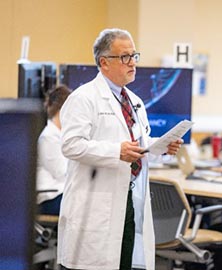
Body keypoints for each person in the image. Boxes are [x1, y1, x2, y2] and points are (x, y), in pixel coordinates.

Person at [57, 28, 182, 270]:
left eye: (134, 55)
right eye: (125, 57)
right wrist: (116, 152)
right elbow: (71, 145)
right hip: (95, 206)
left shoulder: (134, 101)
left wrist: (160, 148)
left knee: (125, 263)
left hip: (130, 200)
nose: (133, 63)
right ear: (104, 62)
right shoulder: (84, 98)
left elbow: (137, 145)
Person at [36, 85, 71, 215]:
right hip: (50, 198)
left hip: (61, 193)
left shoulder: (60, 134)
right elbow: (62, 172)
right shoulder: (48, 137)